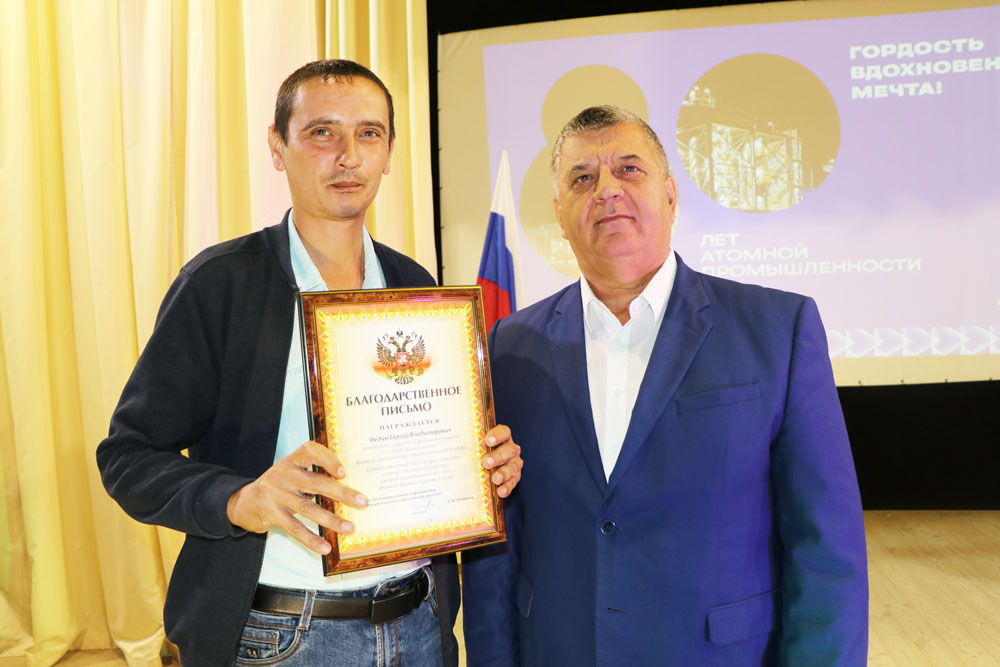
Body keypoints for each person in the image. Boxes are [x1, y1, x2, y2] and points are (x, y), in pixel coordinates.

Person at [97, 59, 522, 667]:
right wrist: (240, 498)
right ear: (278, 147)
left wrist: (485, 467)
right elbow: (128, 457)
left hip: (421, 624)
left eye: (369, 133)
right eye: (323, 132)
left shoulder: (417, 287)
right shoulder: (220, 285)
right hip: (281, 634)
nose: (348, 156)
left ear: (389, 152)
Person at [461, 106, 868, 665]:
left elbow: (826, 548)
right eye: (582, 178)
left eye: (629, 169)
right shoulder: (509, 345)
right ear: (559, 213)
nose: (606, 189)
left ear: (671, 196)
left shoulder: (778, 330)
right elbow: (497, 545)